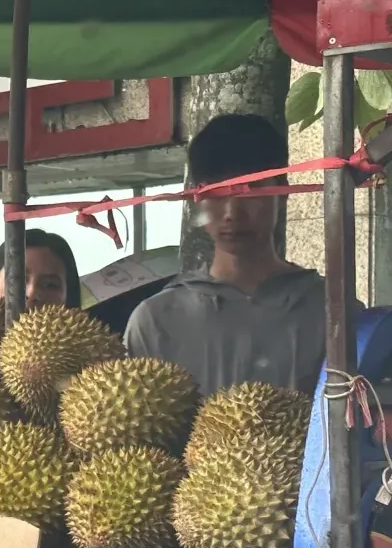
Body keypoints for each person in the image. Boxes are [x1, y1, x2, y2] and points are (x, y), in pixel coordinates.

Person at [124, 113, 328, 395]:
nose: (232, 213)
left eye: (250, 191)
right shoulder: (156, 322)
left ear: (283, 192)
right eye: (217, 192)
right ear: (198, 198)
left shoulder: (331, 312)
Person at [0, 228, 82, 310]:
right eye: (17, 280)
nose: (32, 293)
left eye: (50, 285)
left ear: (68, 297)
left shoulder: (87, 334)